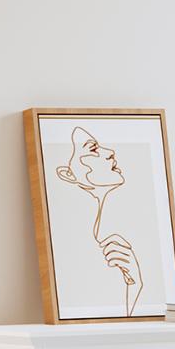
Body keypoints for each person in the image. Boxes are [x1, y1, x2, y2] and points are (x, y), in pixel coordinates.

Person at [56, 126, 144, 316]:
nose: (110, 152)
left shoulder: (106, 239)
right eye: (93, 150)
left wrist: (135, 282)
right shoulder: (75, 251)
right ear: (68, 174)